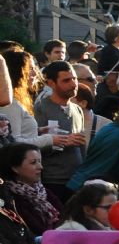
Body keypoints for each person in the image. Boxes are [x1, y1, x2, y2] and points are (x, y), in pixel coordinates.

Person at [33, 61, 86, 204]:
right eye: (66, 80)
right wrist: (61, 142)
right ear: (51, 83)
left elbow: (81, 147)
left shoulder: (77, 109)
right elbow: (32, 145)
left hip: (76, 180)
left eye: (74, 78)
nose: (73, 84)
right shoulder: (40, 108)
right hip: (53, 181)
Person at [0, 143, 59, 236]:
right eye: (33, 162)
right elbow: (37, 231)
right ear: (15, 168)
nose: (40, 167)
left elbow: (65, 217)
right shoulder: (9, 198)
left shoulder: (43, 191)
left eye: (40, 161)